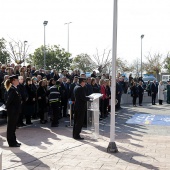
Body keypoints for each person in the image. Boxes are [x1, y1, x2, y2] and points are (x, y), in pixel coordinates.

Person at [5, 75, 21, 147]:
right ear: (13, 81)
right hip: (12, 111)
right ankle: (11, 142)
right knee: (11, 127)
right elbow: (9, 100)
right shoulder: (12, 89)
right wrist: (6, 107)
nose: (18, 81)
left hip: (15, 111)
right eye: (17, 80)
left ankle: (14, 141)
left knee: (13, 127)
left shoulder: (15, 88)